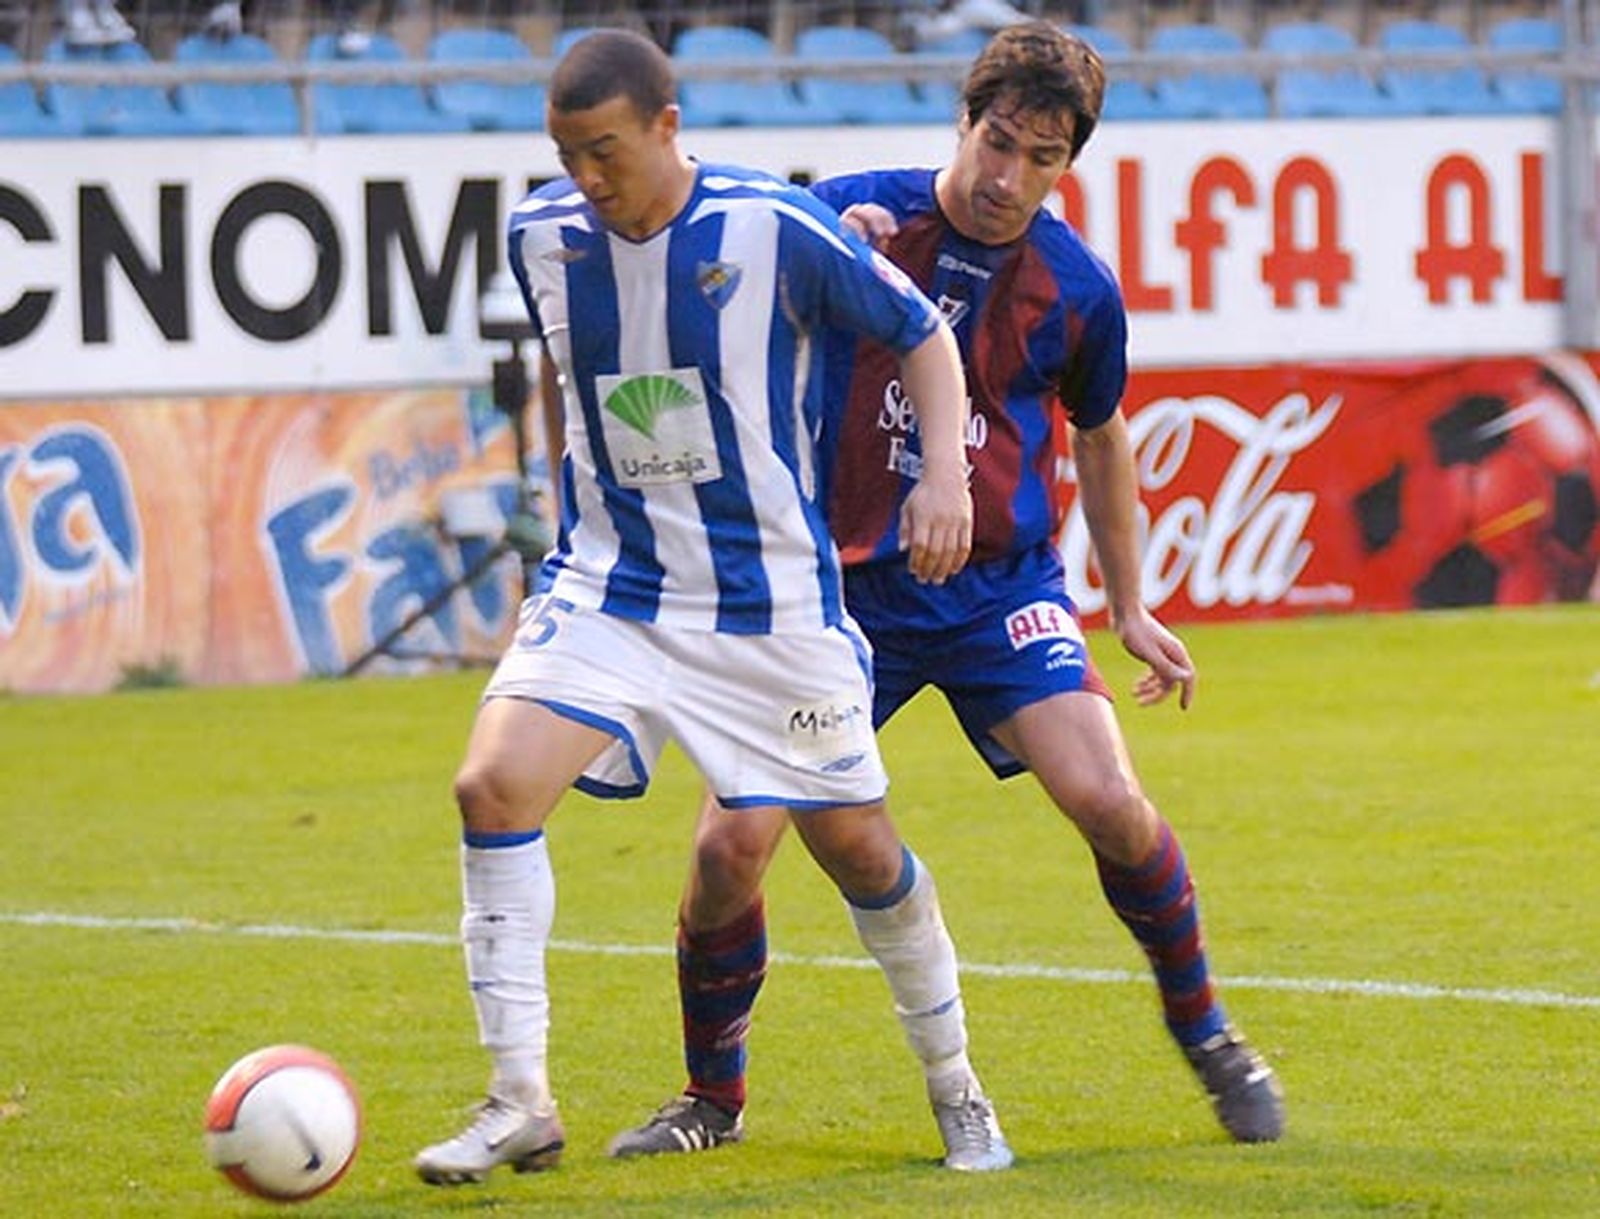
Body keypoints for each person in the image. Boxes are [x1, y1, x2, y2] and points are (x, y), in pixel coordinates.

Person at [608, 21, 1286, 1160]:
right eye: (997, 142)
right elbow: (710, 307)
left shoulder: (1075, 288)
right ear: (962, 123)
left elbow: (1104, 437)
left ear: (1069, 166)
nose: (1007, 178)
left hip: (995, 595)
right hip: (828, 599)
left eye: (1040, 159)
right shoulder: (848, 217)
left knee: (1110, 799)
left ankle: (1209, 1032)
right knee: (728, 850)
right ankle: (710, 1099)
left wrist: (1126, 606)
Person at [412, 27, 1015, 1186]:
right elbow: (565, 363)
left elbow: (919, 332)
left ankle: (958, 1088)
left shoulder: (772, 227)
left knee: (857, 850)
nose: (586, 177)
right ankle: (518, 1100)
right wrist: (562, 487)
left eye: (605, 150)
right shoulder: (540, 234)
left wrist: (941, 474)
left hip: (767, 605)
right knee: (491, 784)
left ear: (667, 127)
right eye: (566, 153)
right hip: (614, 583)